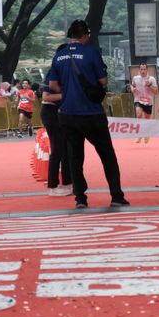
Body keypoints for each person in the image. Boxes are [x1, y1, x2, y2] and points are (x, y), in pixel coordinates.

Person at [48, 19, 128, 209]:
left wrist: (68, 93)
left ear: (71, 35)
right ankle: (116, 195)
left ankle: (80, 198)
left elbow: (52, 85)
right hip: (91, 113)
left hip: (68, 114)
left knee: (75, 157)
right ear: (85, 35)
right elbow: (103, 81)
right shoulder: (91, 52)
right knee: (107, 155)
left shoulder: (59, 56)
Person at [41, 55, 72, 197]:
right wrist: (67, 95)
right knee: (57, 148)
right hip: (51, 111)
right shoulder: (54, 71)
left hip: (62, 111)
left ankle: (68, 182)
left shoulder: (67, 71)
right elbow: (46, 96)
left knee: (66, 148)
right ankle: (52, 185)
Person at [131, 63, 158, 144]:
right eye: (141, 69)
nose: (143, 71)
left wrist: (149, 86)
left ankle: (146, 134)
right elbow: (132, 86)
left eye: (144, 69)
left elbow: (155, 92)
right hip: (138, 100)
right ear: (139, 70)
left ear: (147, 70)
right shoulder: (135, 78)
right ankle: (138, 134)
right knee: (139, 114)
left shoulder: (151, 79)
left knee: (147, 119)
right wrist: (132, 89)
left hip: (148, 101)